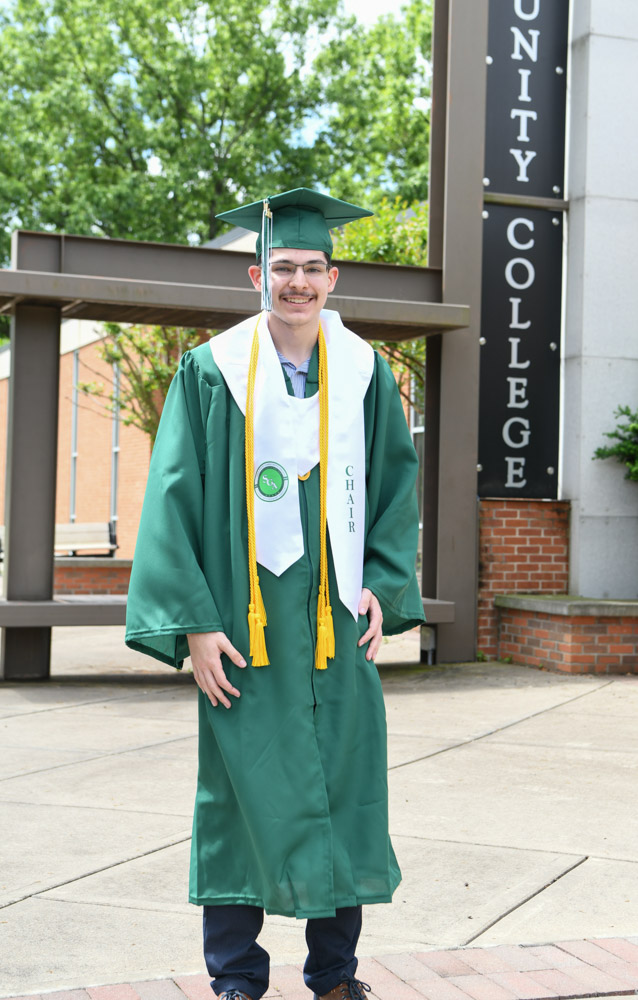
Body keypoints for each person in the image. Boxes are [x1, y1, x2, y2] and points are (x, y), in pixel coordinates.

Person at [125, 188, 425, 1000]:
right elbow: (172, 498)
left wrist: (384, 591)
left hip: (333, 624)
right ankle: (236, 980)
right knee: (237, 795)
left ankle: (334, 977)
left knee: (345, 787)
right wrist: (191, 626)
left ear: (334, 277)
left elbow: (398, 490)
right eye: (283, 267)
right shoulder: (212, 372)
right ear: (258, 275)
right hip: (244, 625)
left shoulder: (363, 373)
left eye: (311, 268)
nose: (297, 282)